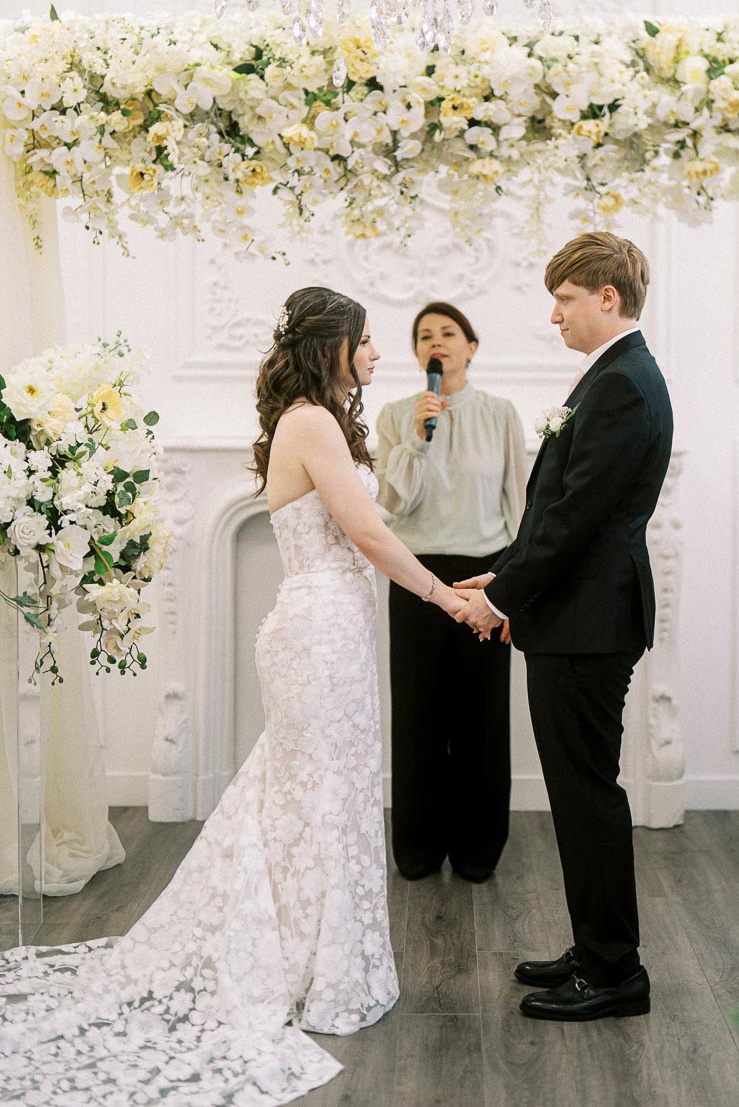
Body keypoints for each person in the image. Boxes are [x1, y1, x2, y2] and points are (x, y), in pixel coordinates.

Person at [0, 286, 465, 1103]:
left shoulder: (318, 420)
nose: (378, 353)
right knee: (316, 793)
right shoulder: (311, 422)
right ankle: (300, 962)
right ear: (334, 346)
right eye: (366, 341)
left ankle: (304, 953)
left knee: (321, 792)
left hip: (335, 626)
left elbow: (375, 514)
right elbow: (365, 533)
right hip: (319, 628)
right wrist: (446, 595)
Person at [455, 232, 673, 1022]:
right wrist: (505, 572)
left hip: (588, 624)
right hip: (576, 616)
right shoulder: (613, 376)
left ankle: (615, 973)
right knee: (581, 794)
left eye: (565, 298)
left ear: (605, 298)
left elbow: (578, 518)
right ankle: (595, 949)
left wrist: (503, 600)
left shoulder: (620, 383)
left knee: (586, 797)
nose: (554, 315)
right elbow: (562, 506)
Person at [376, 302, 526, 883]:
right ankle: (416, 849)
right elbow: (391, 504)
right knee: (417, 714)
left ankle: (478, 850)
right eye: (424, 337)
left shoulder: (500, 414)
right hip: (417, 576)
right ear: (417, 355)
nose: (436, 343)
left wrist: (515, 587)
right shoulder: (396, 416)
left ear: (471, 346)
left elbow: (519, 504)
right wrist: (415, 436)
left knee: (481, 718)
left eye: (447, 334)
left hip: (486, 578)